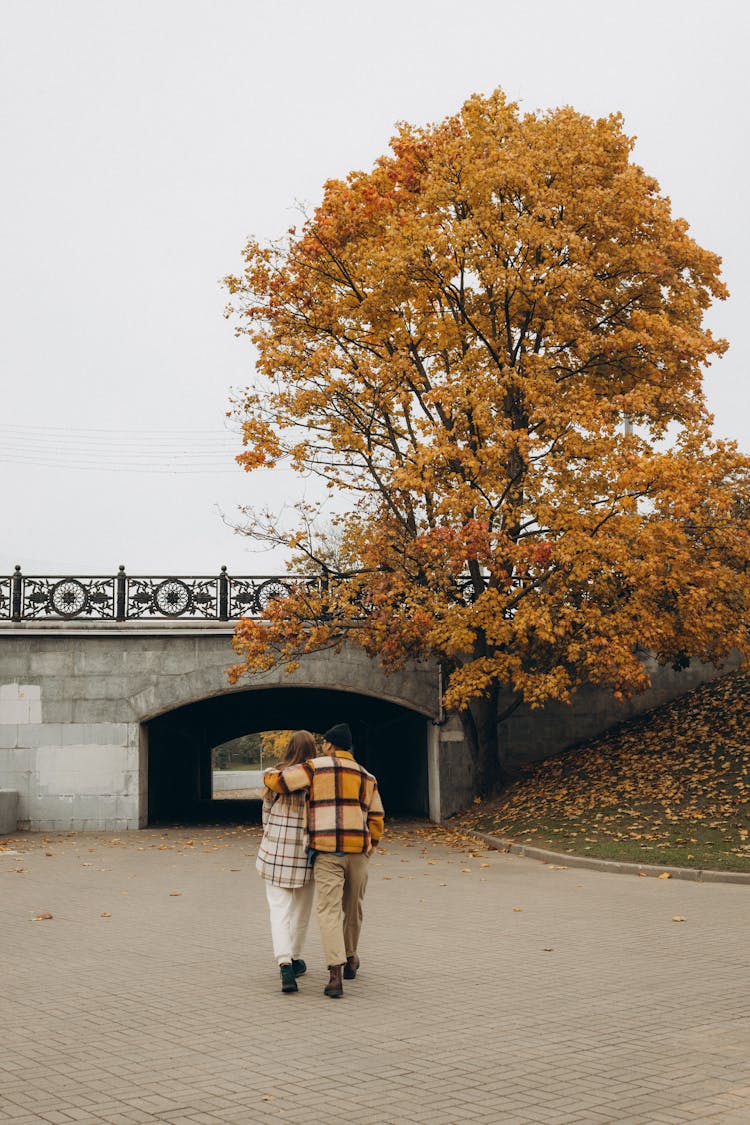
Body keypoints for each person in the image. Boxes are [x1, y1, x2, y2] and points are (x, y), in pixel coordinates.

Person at [263, 721, 385, 999]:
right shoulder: (367, 776)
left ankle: (335, 975)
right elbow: (377, 816)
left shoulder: (316, 768)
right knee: (353, 908)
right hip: (358, 852)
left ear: (329, 745)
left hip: (327, 852)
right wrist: (370, 846)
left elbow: (281, 782)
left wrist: (268, 774)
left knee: (328, 911)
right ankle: (352, 957)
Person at [255, 729, 317, 993]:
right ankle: (294, 957)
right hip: (305, 854)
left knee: (279, 910)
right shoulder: (316, 779)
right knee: (301, 912)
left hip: (276, 854)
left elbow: (266, 815)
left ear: (289, 748)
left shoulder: (274, 777)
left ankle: (284, 965)